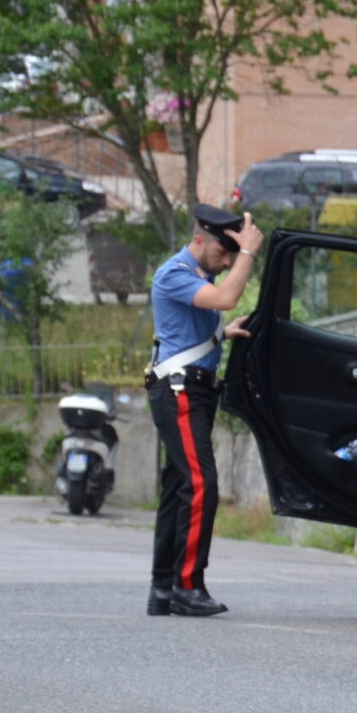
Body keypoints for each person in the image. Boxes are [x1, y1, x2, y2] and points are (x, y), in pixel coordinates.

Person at [146, 203, 261, 617]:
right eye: (222, 252)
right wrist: (248, 252)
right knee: (200, 485)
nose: (227, 260)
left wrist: (221, 333)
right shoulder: (174, 273)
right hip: (179, 391)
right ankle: (187, 587)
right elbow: (227, 297)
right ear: (198, 240)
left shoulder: (198, 276)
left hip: (192, 390)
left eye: (232, 254)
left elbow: (197, 322)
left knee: (180, 488)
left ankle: (163, 588)